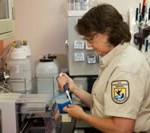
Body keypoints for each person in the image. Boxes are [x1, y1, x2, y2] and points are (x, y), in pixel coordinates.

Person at [57, 3, 150, 133]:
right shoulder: (114, 60)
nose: (89, 45)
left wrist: (83, 115)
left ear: (108, 31)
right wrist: (74, 88)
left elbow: (122, 129)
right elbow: (102, 107)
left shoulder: (125, 68)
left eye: (90, 38)